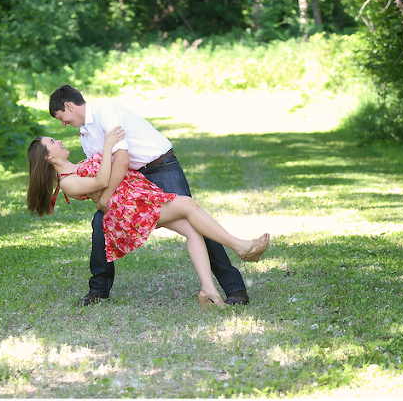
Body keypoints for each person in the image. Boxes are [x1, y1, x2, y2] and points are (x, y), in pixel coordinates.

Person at [48, 84, 251, 307]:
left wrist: (105, 197)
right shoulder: (85, 136)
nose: (63, 124)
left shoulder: (104, 111)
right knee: (100, 223)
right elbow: (105, 171)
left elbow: (121, 161)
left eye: (61, 117)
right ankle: (98, 290)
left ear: (68, 106)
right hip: (132, 181)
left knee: (196, 222)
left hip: (160, 167)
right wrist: (103, 199)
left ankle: (235, 289)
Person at [26, 127, 270, 309]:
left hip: (138, 201)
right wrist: (109, 145)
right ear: (48, 157)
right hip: (129, 212)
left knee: (192, 229)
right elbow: (101, 181)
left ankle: (208, 290)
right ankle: (241, 246)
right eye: (52, 142)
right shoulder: (68, 182)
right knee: (187, 204)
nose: (58, 140)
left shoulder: (78, 166)